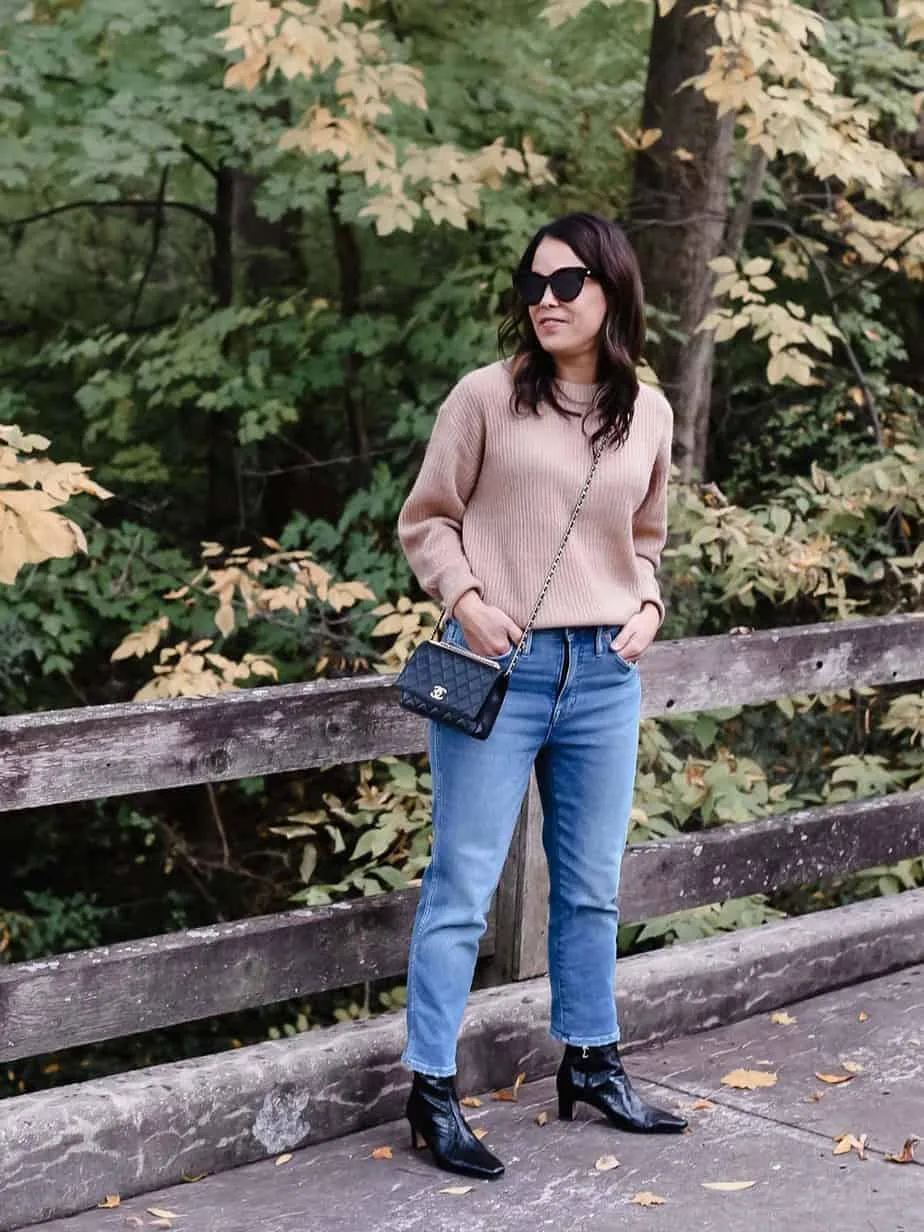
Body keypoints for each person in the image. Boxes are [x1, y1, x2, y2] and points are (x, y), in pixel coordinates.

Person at [396, 212, 686, 1181]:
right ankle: (431, 1087)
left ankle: (593, 1060)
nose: (548, 301)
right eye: (534, 286)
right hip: (497, 666)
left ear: (612, 290)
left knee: (593, 883)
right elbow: (428, 519)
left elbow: (646, 536)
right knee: (462, 886)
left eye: (568, 283)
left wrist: (647, 601)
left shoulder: (647, 411)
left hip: (605, 674)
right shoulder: (485, 397)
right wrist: (469, 601)